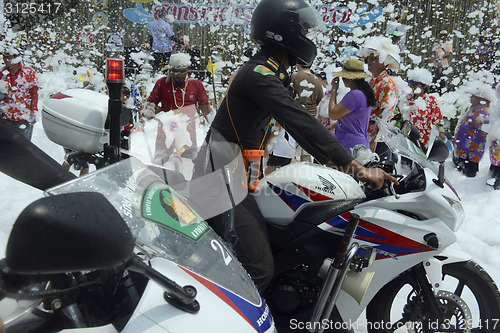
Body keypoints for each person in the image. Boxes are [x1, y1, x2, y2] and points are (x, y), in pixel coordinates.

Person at [207, 0, 397, 293]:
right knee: (258, 270)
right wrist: (354, 167)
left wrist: (348, 161)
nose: (308, 38)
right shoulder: (259, 75)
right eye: (305, 31)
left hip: (238, 172)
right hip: (220, 177)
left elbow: (303, 123)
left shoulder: (272, 73)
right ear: (284, 32)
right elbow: (301, 123)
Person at [143, 53, 213, 149]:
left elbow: (205, 108)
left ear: (188, 69)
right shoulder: (162, 83)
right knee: (161, 163)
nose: (178, 75)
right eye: (175, 72)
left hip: (188, 134)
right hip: (165, 132)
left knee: (188, 163)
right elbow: (151, 102)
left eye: (182, 71)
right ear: (170, 70)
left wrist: (215, 126)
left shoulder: (196, 84)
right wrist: (150, 110)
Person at [359, 36, 401, 161]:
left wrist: (374, 138)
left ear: (384, 61)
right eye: (368, 57)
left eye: (373, 58)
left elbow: (386, 113)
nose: (369, 61)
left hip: (377, 138)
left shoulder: (387, 83)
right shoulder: (372, 81)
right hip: (367, 134)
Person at [328, 59, 374, 153]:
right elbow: (355, 119)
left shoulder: (354, 95)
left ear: (349, 78)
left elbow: (333, 114)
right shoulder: (364, 93)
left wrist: (333, 91)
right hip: (359, 144)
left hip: (349, 144)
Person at [453, 82, 496, 177]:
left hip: (471, 153)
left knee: (467, 176)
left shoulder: (482, 113)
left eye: (473, 96)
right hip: (463, 151)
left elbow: (486, 130)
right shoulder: (473, 110)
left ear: (481, 100)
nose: (470, 98)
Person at [400, 68, 446, 152]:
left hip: (422, 140)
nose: (413, 87)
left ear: (424, 85)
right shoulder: (407, 98)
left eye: (416, 84)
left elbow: (438, 119)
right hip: (406, 138)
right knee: (405, 163)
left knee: (419, 163)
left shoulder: (431, 101)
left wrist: (441, 133)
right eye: (412, 84)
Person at [0, 45, 39, 141]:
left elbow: (34, 93)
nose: (5, 60)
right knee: (7, 147)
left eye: (7, 57)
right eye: (4, 57)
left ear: (16, 58)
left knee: (23, 147)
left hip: (24, 117)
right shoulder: (2, 73)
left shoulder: (28, 73)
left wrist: (33, 111)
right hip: (6, 116)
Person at [291, 63, 324, 162]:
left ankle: (292, 176)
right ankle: (305, 175)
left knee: (291, 153)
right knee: (306, 152)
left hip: (293, 117)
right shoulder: (317, 81)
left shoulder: (294, 77)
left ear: (298, 63)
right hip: (311, 119)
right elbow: (320, 100)